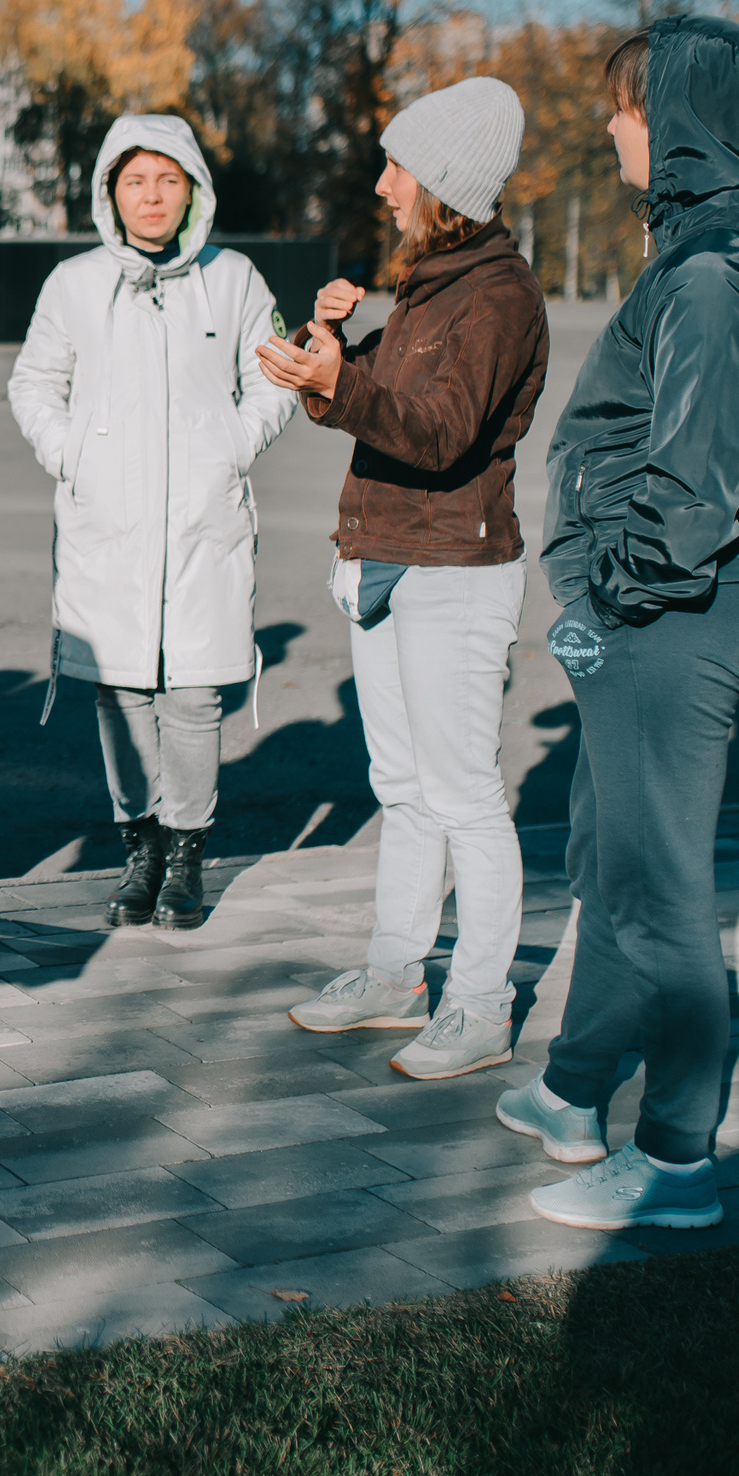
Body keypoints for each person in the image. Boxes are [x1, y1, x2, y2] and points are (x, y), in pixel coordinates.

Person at [496, 17, 739, 1231]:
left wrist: (607, 603)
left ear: (685, 119)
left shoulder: (715, 262)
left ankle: (678, 1155)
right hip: (668, 604)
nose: (613, 126)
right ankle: (577, 1088)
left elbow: (692, 492)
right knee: (607, 857)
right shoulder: (716, 238)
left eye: (630, 107)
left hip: (677, 607)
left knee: (657, 893)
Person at [259, 77, 550, 1081]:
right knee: (401, 786)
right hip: (381, 555)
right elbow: (372, 403)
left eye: (396, 165)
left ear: (444, 183)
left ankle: (481, 1001)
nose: (382, 184)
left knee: (464, 792)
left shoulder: (498, 294)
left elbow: (437, 433)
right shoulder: (427, 281)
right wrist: (325, 360)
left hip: (454, 566)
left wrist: (340, 384)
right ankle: (397, 970)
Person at [6, 116, 298, 928]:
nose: (152, 196)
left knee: (195, 693)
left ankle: (187, 851)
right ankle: (138, 846)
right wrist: (72, 455)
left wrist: (234, 445)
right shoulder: (74, 285)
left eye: (168, 179)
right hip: (111, 522)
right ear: (110, 191)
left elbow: (274, 378)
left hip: (202, 520)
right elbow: (33, 384)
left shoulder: (234, 278)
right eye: (135, 180)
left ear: (194, 187)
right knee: (123, 691)